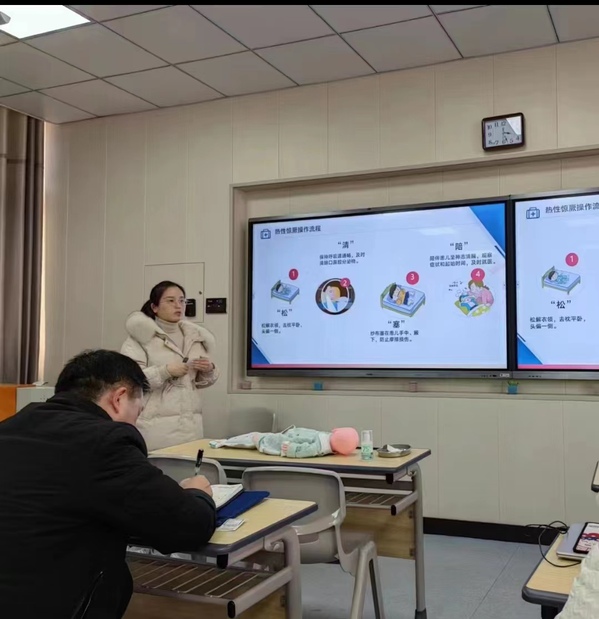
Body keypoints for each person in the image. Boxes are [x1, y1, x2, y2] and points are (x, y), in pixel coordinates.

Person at [0, 349, 217, 619]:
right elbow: (188, 526)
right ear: (119, 398)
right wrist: (197, 492)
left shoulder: (9, 427)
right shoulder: (105, 443)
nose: (136, 422)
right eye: (137, 412)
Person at [121, 281, 220, 451]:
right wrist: (164, 371)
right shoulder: (140, 338)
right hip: (155, 430)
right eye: (170, 301)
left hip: (191, 427)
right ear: (154, 307)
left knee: (191, 466)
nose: (178, 306)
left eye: (182, 300)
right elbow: (129, 380)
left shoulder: (195, 337)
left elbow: (200, 382)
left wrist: (209, 369)